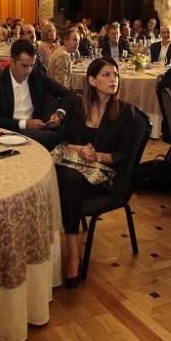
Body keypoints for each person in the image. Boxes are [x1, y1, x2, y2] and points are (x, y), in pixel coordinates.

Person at [54, 58, 139, 285]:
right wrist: (79, 148)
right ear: (92, 80)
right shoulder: (78, 106)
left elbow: (125, 156)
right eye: (107, 75)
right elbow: (62, 140)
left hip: (106, 180)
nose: (114, 80)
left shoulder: (125, 112)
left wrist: (98, 156)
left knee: (67, 181)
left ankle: (73, 256)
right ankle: (62, 248)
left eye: (116, 75)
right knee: (62, 176)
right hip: (76, 171)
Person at [0, 39, 74, 149]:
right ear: (12, 61)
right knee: (52, 138)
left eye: (31, 65)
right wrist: (24, 124)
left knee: (71, 127)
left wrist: (58, 114)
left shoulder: (36, 75)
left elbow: (67, 94)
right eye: (24, 66)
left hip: (37, 129)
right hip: (9, 132)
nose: (29, 70)